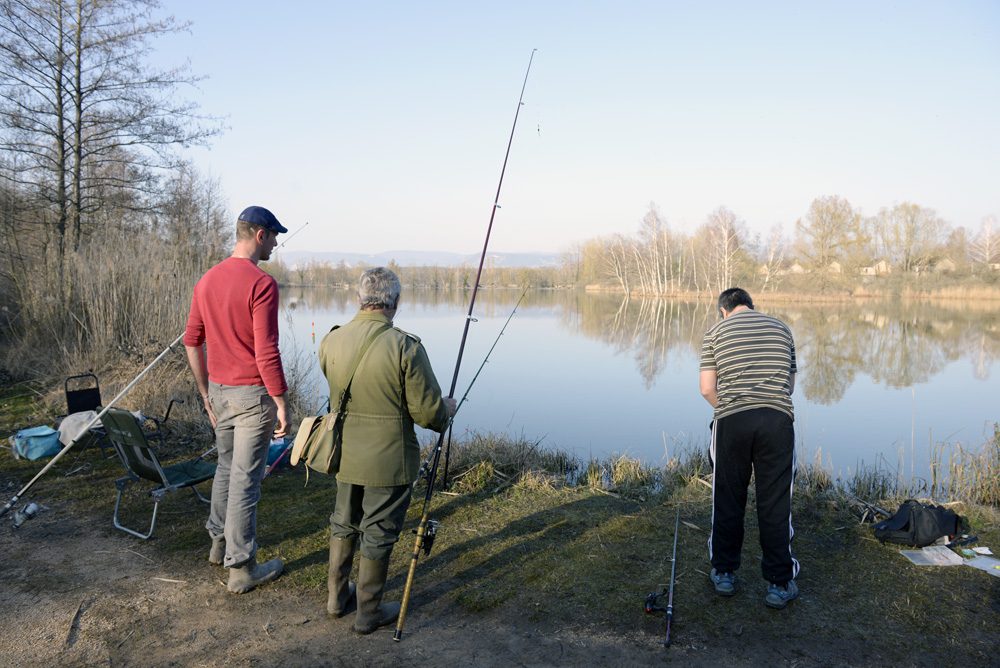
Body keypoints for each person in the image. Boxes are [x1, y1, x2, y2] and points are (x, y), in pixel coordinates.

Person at [319, 267, 456, 634]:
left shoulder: (332, 340)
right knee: (378, 531)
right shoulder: (405, 346)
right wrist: (449, 409)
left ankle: (336, 599)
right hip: (388, 460)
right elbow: (429, 413)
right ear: (394, 302)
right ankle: (368, 612)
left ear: (359, 299)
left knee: (344, 521)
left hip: (342, 453)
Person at [184, 205, 290, 594]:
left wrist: (204, 392)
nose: (277, 243)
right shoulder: (261, 284)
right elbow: (267, 352)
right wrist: (281, 400)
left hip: (220, 392)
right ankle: (242, 567)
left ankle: (218, 544)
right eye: (274, 235)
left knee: (226, 470)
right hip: (251, 396)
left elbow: (192, 341)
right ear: (259, 234)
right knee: (246, 480)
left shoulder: (206, 280)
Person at [699, 287, 800, 609]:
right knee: (775, 502)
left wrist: (725, 408)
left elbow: (706, 389)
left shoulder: (715, 332)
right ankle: (779, 583)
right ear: (751, 306)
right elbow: (790, 385)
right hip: (776, 421)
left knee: (728, 497)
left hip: (732, 421)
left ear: (723, 311)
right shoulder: (782, 328)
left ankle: (725, 573)